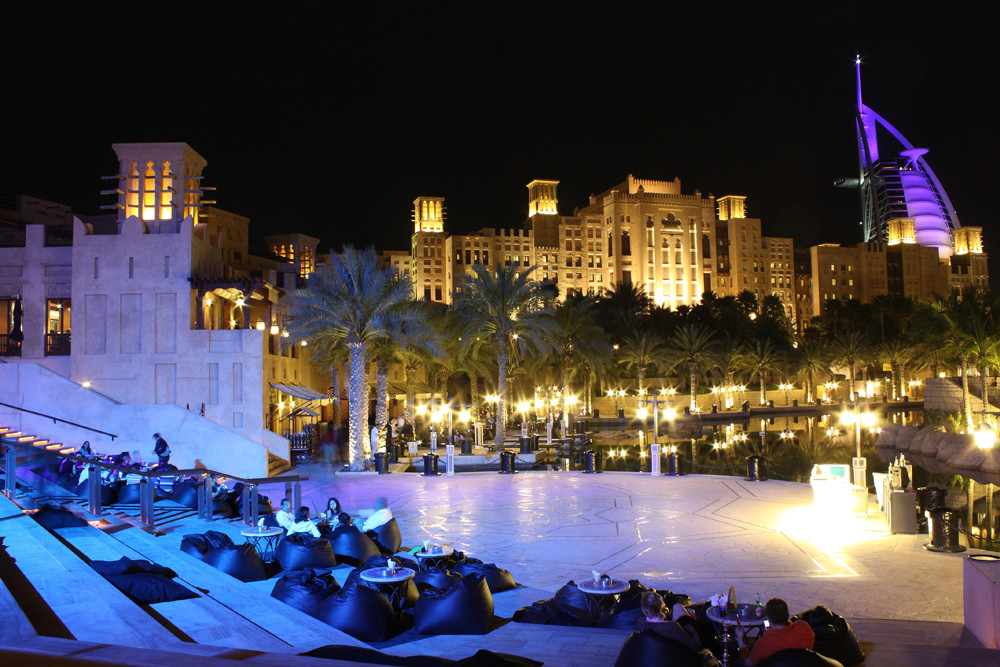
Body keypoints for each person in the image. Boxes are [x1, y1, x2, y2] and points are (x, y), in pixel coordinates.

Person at [737, 598, 815, 665]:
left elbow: (748, 663)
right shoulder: (804, 627)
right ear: (788, 615)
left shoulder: (764, 643)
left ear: (769, 619)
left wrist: (740, 639)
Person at [635, 592, 701, 652]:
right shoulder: (672, 627)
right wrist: (690, 627)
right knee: (689, 611)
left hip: (664, 647)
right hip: (680, 653)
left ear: (645, 610)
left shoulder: (641, 624)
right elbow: (696, 646)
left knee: (678, 607)